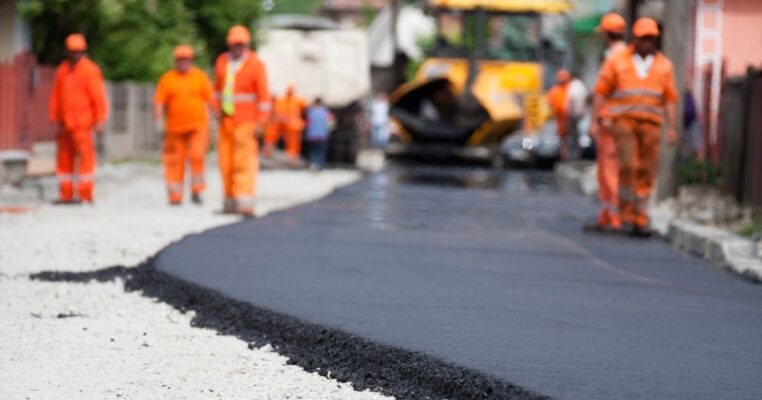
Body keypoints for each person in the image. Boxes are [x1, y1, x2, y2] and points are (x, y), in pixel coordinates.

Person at [592, 17, 679, 236]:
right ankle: (626, 213)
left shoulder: (664, 65)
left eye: (651, 38)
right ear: (635, 38)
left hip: (651, 123)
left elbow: (670, 97)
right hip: (624, 122)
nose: (648, 42)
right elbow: (601, 91)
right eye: (644, 38)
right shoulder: (618, 61)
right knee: (628, 166)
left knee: (647, 169)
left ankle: (641, 216)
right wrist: (595, 121)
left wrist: (672, 126)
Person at [213, 25, 271, 217]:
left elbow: (263, 97)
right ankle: (229, 202)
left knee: (244, 161)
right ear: (229, 44)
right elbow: (218, 90)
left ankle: (245, 202)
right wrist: (215, 109)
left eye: (241, 44)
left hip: (247, 122)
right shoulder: (222, 61)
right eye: (234, 44)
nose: (237, 47)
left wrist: (261, 122)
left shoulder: (255, 64)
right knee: (226, 162)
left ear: (247, 44)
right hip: (226, 121)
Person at [49, 33, 108, 205]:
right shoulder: (62, 70)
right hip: (64, 124)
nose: (75, 55)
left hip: (82, 123)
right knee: (64, 159)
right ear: (67, 52)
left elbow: (98, 97)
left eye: (78, 51)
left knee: (85, 158)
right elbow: (56, 96)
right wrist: (54, 117)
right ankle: (65, 194)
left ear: (83, 52)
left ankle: (84, 195)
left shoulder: (90, 70)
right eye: (72, 51)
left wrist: (100, 120)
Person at [154, 45, 214, 206]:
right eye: (180, 60)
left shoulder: (200, 77)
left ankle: (197, 191)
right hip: (175, 128)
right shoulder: (168, 79)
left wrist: (215, 118)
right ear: (176, 61)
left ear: (191, 60)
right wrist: (159, 121)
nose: (183, 63)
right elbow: (159, 101)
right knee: (174, 161)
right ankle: (175, 195)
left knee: (197, 156)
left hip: (198, 126)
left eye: (186, 59)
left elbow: (211, 99)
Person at [586, 12, 628, 231]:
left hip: (611, 122)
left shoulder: (612, 59)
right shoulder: (630, 57)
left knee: (609, 170)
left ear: (606, 35)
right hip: (627, 123)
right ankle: (610, 212)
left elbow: (600, 93)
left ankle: (613, 214)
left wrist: (593, 122)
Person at [268, 84, 307, 164]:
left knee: (292, 141)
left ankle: (291, 157)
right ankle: (269, 148)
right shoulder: (292, 100)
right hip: (287, 123)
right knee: (273, 134)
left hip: (290, 124)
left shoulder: (295, 100)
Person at [304, 98, 334, 170]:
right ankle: (320, 165)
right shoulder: (327, 112)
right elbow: (331, 125)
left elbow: (307, 124)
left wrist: (307, 133)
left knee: (313, 151)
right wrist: (329, 132)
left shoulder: (310, 112)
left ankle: (313, 164)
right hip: (323, 135)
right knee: (321, 151)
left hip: (312, 136)